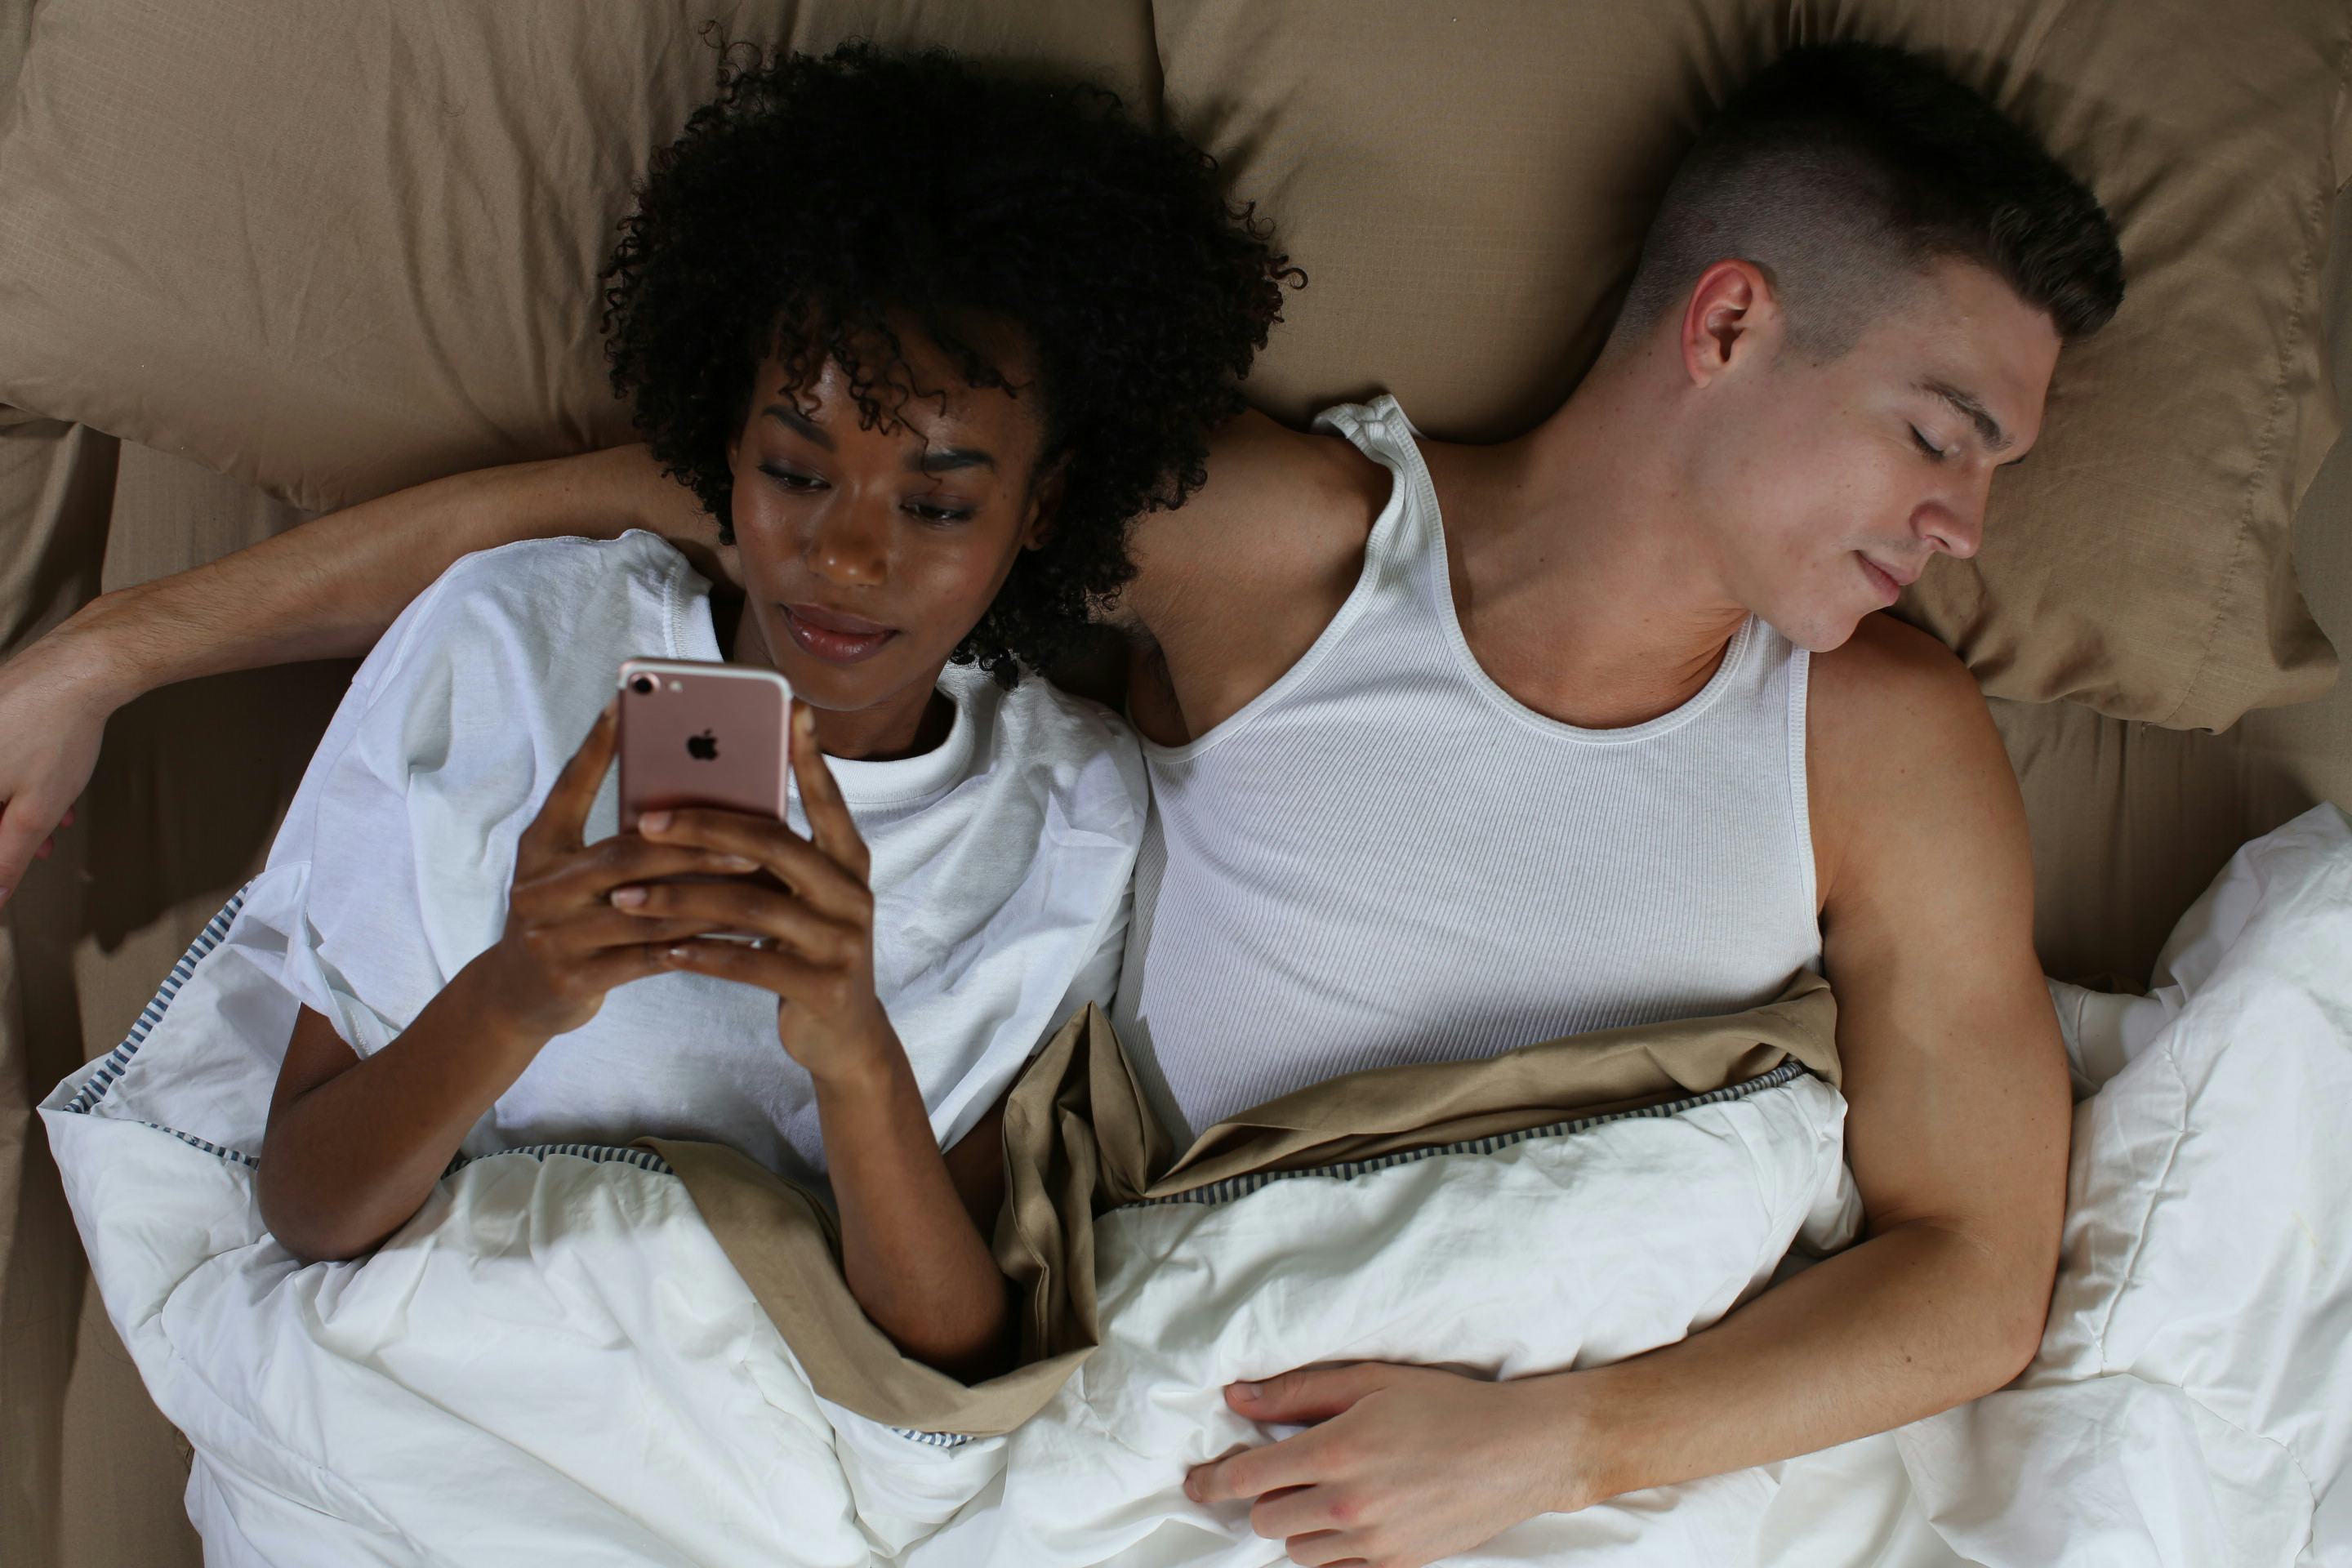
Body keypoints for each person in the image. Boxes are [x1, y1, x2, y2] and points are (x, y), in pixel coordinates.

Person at [2, 38, 2120, 1566]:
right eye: (1945, 437)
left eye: (1996, 474)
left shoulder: (1882, 738)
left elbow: (1974, 1274)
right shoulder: (1290, 547)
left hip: (1531, 1460)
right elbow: (759, 509)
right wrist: (117, 648)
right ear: (1733, 324)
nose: (1964, 526)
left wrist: (1548, 1447)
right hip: (1112, 1439)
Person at [70, 38, 1298, 1385]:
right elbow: (308, 1206)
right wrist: (514, 995)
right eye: (794, 468)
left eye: (939, 504)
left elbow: (952, 1358)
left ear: (1043, 506)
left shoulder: (1069, 818)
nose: (844, 557)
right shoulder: (509, 647)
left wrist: (853, 1052)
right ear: (722, 444)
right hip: (437, 1407)